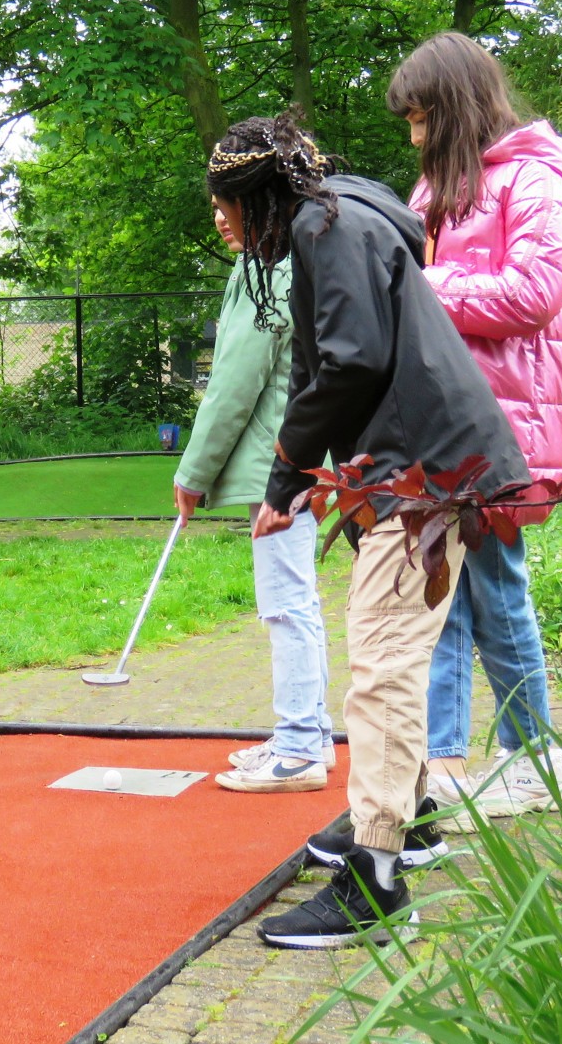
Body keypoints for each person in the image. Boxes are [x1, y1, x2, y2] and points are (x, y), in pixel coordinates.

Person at [218, 112, 529, 950]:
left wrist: (287, 475)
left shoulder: (329, 227)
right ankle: (415, 814)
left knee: (383, 662)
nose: (221, 220)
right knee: (396, 653)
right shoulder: (336, 222)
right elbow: (327, 368)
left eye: (227, 203)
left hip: (425, 474)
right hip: (421, 463)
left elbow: (350, 361)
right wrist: (307, 476)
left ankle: (377, 874)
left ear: (262, 195)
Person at [388, 32, 562, 814]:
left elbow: (533, 293)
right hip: (441, 422)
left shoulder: (537, 182)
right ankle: (441, 763)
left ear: (454, 108)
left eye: (420, 119)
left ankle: (536, 761)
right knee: (438, 586)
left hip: (508, 422)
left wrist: (426, 285)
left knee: (497, 586)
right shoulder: (434, 190)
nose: (412, 137)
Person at [172, 203, 332, 793]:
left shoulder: (267, 272)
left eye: (225, 205)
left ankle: (296, 749)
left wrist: (193, 472)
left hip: (280, 464)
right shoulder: (286, 264)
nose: (216, 217)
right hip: (298, 457)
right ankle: (309, 735)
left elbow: (234, 382)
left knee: (285, 602)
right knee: (299, 600)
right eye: (210, 205)